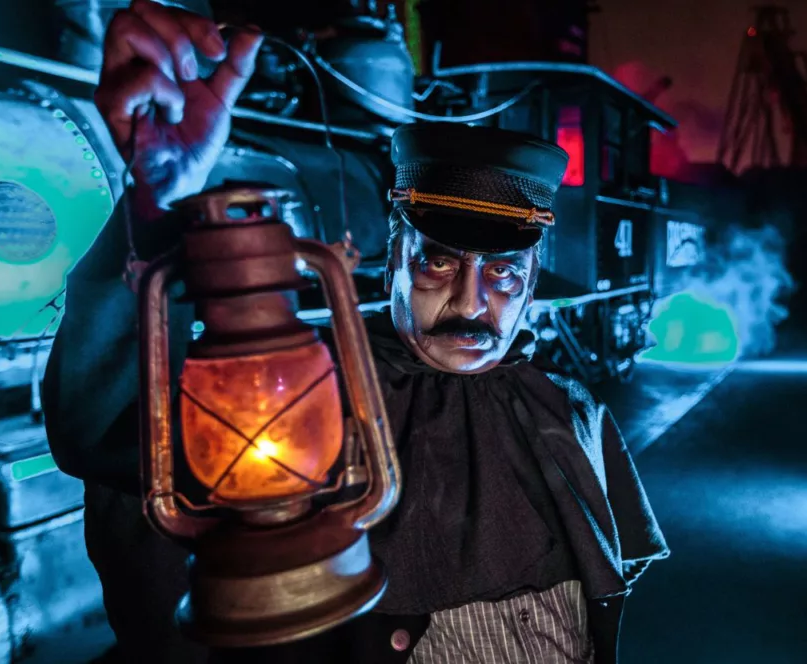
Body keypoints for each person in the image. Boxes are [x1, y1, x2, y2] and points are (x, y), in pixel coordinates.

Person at [42, 1, 669, 662]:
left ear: (535, 277)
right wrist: (155, 204)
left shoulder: (571, 413)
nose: (470, 301)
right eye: (436, 261)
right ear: (390, 258)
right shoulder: (310, 401)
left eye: (505, 273)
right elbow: (113, 436)